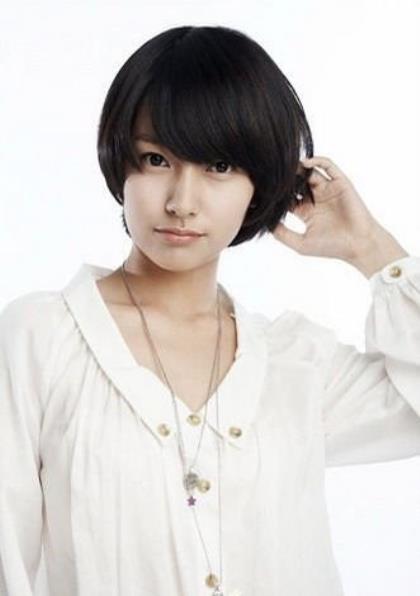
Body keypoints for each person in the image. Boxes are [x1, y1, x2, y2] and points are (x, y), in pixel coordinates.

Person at [0, 24, 419, 596]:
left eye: (219, 166)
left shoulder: (295, 365)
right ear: (120, 163)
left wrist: (372, 249)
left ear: (261, 182)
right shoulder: (40, 340)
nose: (182, 201)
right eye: (155, 159)